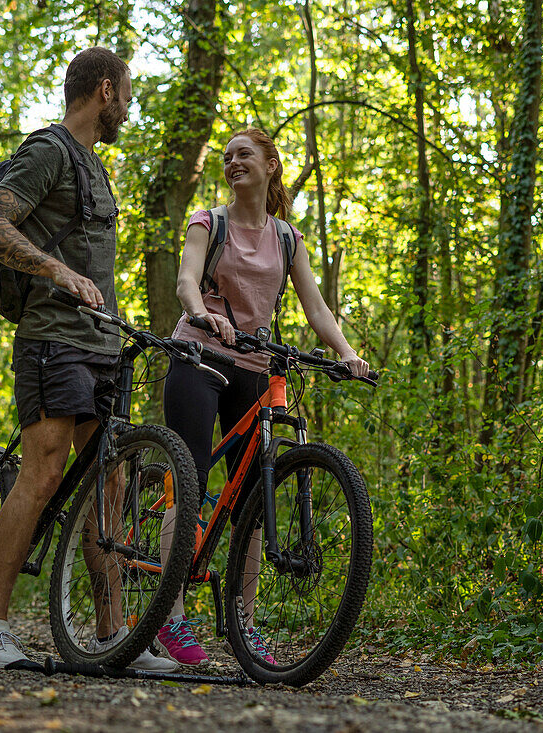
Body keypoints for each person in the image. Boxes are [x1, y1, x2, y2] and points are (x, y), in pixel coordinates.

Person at [0, 47, 175, 672]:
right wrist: (55, 270)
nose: (129, 108)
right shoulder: (49, 151)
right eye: (128, 94)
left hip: (102, 346)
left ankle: (113, 638)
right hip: (53, 341)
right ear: (105, 90)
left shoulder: (96, 168)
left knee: (107, 484)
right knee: (46, 472)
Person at [155, 128, 370, 665]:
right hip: (199, 356)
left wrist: (346, 352)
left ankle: (243, 626)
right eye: (226, 158)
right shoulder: (210, 221)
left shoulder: (287, 237)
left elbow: (316, 308)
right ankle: (170, 616)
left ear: (271, 165)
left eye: (244, 155)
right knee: (189, 478)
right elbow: (186, 281)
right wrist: (203, 314)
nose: (232, 163)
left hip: (254, 365)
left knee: (254, 497)